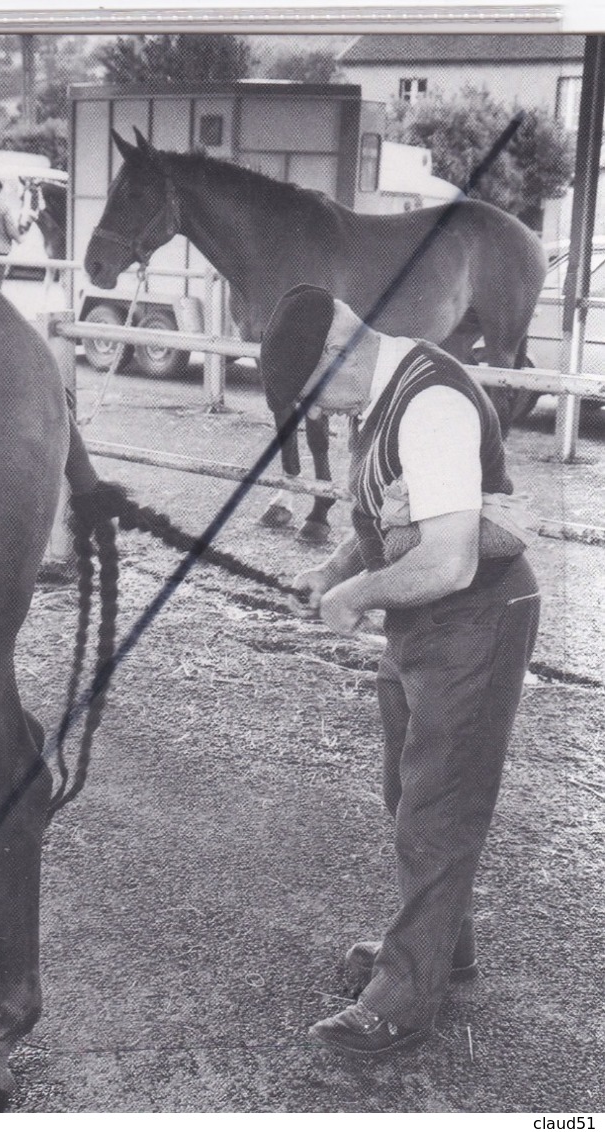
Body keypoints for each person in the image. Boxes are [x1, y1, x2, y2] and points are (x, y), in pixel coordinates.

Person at [260, 284, 540, 1058]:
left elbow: (448, 559)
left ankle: (404, 1000)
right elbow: (393, 513)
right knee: (408, 791)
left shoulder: (430, 405)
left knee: (437, 806)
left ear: (336, 351)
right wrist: (332, 566)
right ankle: (443, 950)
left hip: (474, 615)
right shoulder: (380, 396)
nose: (316, 412)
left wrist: (355, 595)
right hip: (426, 618)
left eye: (312, 393)